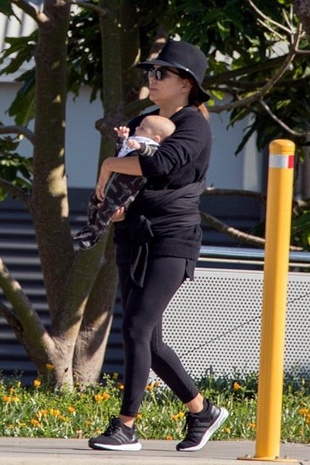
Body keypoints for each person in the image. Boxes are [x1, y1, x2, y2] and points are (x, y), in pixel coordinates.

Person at [88, 39, 228, 452]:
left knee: (136, 327)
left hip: (173, 239)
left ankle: (126, 425)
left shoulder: (194, 126)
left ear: (186, 84)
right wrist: (115, 202)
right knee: (148, 339)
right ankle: (202, 412)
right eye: (150, 71)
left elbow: (161, 164)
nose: (152, 77)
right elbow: (131, 177)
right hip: (133, 235)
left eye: (160, 73)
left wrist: (111, 163)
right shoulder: (142, 119)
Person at [73, 115, 176, 249]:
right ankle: (90, 226)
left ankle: (95, 235)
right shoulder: (134, 140)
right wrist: (122, 139)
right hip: (114, 181)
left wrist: (139, 146)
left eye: (142, 128)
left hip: (126, 190)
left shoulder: (153, 147)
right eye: (139, 125)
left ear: (156, 138)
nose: (137, 128)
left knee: (107, 210)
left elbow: (150, 153)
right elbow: (120, 154)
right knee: (94, 200)